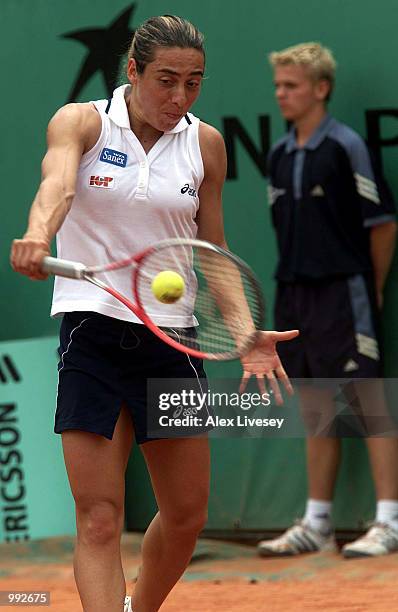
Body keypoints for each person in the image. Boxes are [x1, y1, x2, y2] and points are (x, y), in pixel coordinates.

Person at [10, 15, 297, 612]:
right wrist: (39, 232)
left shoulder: (206, 144)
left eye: (194, 82)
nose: (179, 97)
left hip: (172, 342)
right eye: (166, 79)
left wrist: (245, 332)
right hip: (91, 334)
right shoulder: (81, 122)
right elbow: (57, 185)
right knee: (98, 517)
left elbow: (212, 255)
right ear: (132, 71)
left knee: (188, 515)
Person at [257, 42, 398, 559]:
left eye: (291, 86)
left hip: (346, 290)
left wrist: (371, 285)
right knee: (316, 404)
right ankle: (318, 523)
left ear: (321, 89)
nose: (281, 95)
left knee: (368, 403)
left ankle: (390, 520)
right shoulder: (276, 153)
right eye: (278, 86)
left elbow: (382, 225)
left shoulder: (346, 146)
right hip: (294, 292)